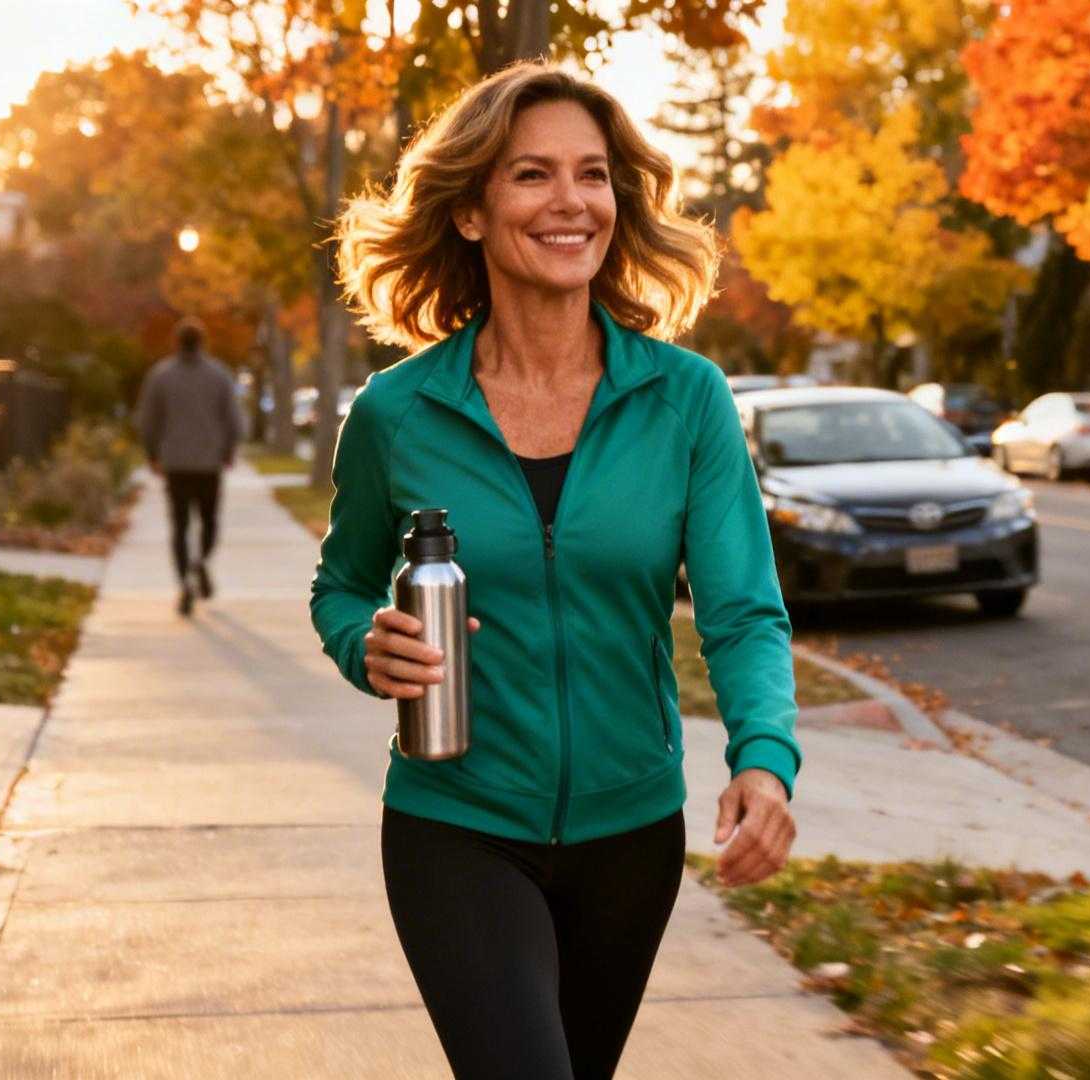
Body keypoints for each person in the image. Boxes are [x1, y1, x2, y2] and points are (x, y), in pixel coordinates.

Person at [311, 64, 801, 1080]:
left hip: (631, 838)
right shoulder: (397, 414)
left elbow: (743, 609)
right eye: (532, 174)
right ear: (475, 212)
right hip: (457, 825)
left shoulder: (685, 400)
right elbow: (342, 586)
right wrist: (369, 645)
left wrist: (764, 756)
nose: (570, 201)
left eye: (592, 175)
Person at [136, 316, 241, 617]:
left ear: (176, 342)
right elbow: (234, 419)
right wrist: (229, 450)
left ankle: (184, 580)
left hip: (175, 463)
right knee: (209, 520)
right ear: (203, 342)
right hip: (210, 463)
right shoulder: (219, 375)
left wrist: (152, 454)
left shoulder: (161, 376)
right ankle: (201, 562)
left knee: (180, 525)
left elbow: (148, 421)